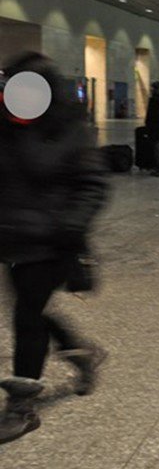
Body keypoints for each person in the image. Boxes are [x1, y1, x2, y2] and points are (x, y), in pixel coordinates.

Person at [0, 52, 108, 444]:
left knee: (27, 316)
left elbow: (93, 185)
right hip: (12, 238)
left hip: (52, 242)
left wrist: (70, 224)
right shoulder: (7, 127)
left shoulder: (70, 130)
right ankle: (81, 351)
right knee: (35, 311)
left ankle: (22, 406)